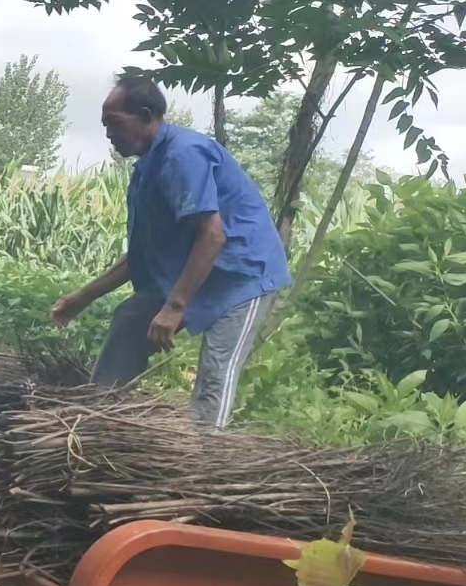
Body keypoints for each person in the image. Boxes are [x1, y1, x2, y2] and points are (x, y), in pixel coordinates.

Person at [51, 73, 291, 428]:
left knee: (215, 374)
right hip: (195, 269)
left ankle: (200, 455)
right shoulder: (147, 168)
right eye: (104, 126)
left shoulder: (183, 156)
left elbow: (212, 236)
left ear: (146, 116)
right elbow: (142, 254)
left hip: (241, 273)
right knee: (130, 322)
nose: (108, 135)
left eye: (115, 124)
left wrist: (174, 307)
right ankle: (96, 422)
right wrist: (82, 297)